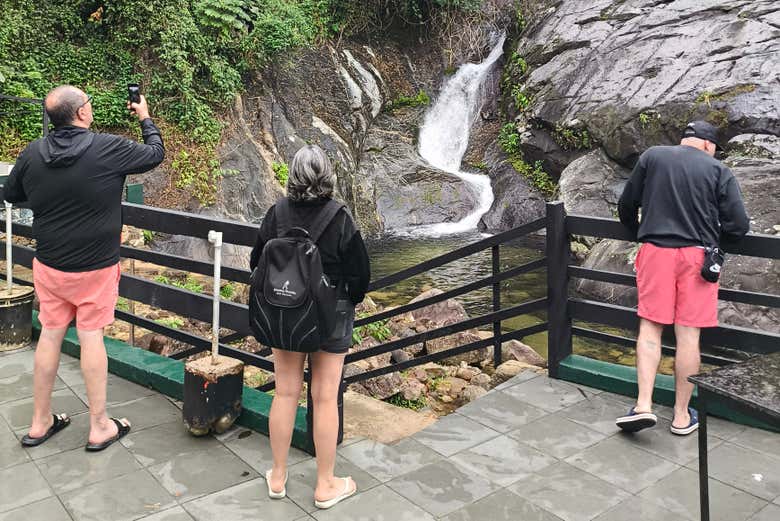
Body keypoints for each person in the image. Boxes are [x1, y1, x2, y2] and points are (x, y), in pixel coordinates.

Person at [4, 85, 165, 450]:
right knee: (91, 336)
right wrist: (144, 116)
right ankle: (99, 425)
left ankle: (40, 421)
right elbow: (155, 153)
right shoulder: (107, 148)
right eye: (88, 103)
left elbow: (12, 194)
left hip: (50, 264)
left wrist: (49, 196)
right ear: (81, 113)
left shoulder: (33, 152)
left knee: (50, 334)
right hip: (96, 266)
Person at [249, 144, 370, 508]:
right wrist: (346, 299)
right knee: (325, 396)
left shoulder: (277, 213)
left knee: (285, 392)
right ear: (328, 176)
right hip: (332, 315)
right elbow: (360, 275)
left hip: (286, 312)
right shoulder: (340, 218)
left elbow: (256, 261)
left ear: (293, 176)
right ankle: (325, 484)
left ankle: (278, 476)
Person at [615, 120, 749, 435]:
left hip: (655, 252)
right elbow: (739, 225)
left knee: (650, 329)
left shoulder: (652, 156)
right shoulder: (718, 170)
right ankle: (680, 417)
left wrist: (639, 233)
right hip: (697, 258)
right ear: (708, 144)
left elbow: (626, 204)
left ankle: (643, 406)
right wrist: (716, 244)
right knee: (688, 336)